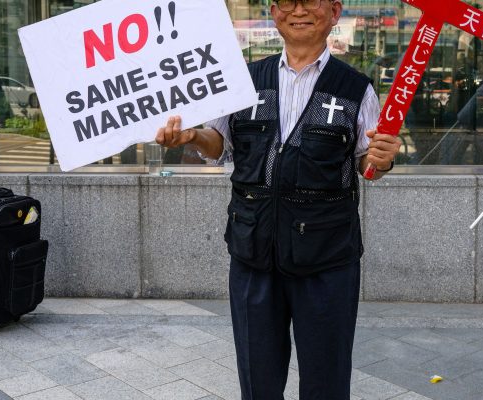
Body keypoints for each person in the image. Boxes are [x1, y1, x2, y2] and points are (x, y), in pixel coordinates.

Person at [154, 0, 400, 398]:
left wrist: (384, 160)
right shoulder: (244, 80)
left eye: (311, 1)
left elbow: (367, 163)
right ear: (273, 11)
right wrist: (192, 136)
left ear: (335, 11)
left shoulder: (356, 89)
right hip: (254, 254)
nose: (299, 10)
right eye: (288, 1)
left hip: (327, 259)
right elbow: (218, 143)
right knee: (258, 381)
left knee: (327, 381)